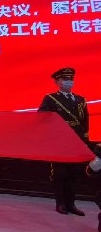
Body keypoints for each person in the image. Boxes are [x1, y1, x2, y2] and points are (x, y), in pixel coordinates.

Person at [38, 67, 89, 216]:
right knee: (60, 173)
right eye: (65, 79)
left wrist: (85, 140)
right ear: (57, 82)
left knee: (74, 174)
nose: (68, 82)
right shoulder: (51, 98)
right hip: (60, 141)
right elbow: (42, 117)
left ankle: (71, 204)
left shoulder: (80, 100)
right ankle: (60, 203)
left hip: (76, 141)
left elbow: (85, 122)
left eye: (70, 79)